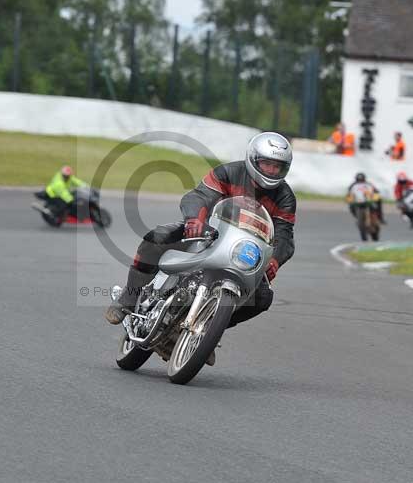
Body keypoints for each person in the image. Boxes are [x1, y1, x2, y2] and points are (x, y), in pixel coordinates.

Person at [104, 132, 296, 364]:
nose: (271, 171)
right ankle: (128, 297)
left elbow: (284, 234)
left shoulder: (285, 196)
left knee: (263, 297)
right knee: (156, 238)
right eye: (267, 163)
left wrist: (274, 259)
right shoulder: (228, 172)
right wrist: (195, 220)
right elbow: (200, 196)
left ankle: (209, 328)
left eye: (278, 166)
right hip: (206, 231)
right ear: (253, 159)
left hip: (244, 251)